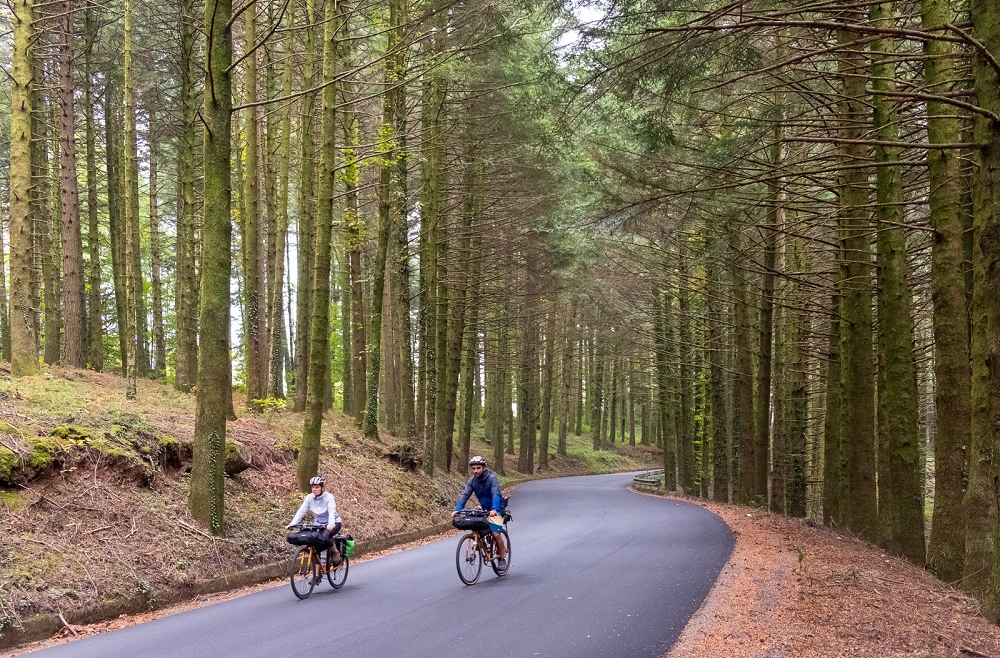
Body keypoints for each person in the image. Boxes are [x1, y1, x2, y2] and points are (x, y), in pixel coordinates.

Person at [452, 456, 507, 569]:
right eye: (473, 468)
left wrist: (494, 509)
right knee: (477, 525)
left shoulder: (492, 479)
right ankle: (482, 544)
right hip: (484, 509)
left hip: (496, 509)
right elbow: (465, 495)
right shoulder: (472, 481)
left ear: (483, 468)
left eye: (478, 468)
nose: (475, 471)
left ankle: (501, 558)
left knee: (495, 534)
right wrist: (458, 509)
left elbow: (495, 494)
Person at [287, 476, 343, 582]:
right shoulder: (309, 498)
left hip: (333, 522)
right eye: (313, 487)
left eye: (317, 487)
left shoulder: (328, 497)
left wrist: (331, 523)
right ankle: (317, 575)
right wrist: (293, 523)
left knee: (324, 539)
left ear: (322, 488)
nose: (314, 489)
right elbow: (302, 510)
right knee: (315, 544)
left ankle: (335, 551)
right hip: (318, 524)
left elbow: (331, 510)